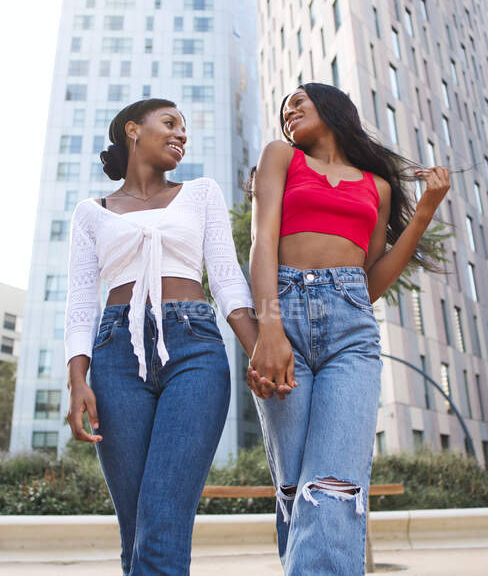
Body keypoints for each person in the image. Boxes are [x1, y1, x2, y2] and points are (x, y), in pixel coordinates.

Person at [247, 83, 450, 575]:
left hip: (351, 330)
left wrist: (424, 212)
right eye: (284, 109)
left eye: (299, 101)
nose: (289, 112)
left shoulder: (376, 186)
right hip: (284, 314)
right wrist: (268, 329)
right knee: (296, 485)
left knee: (334, 485)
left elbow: (371, 279)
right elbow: (261, 240)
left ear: (333, 108)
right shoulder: (280, 157)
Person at [65, 98, 257, 576]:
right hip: (114, 357)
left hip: (193, 347)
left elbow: (229, 279)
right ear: (133, 130)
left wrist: (260, 351)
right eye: (170, 123)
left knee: (162, 524)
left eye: (185, 128)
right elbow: (80, 302)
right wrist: (77, 380)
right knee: (138, 533)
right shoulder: (92, 212)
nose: (181, 135)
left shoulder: (201, 193)